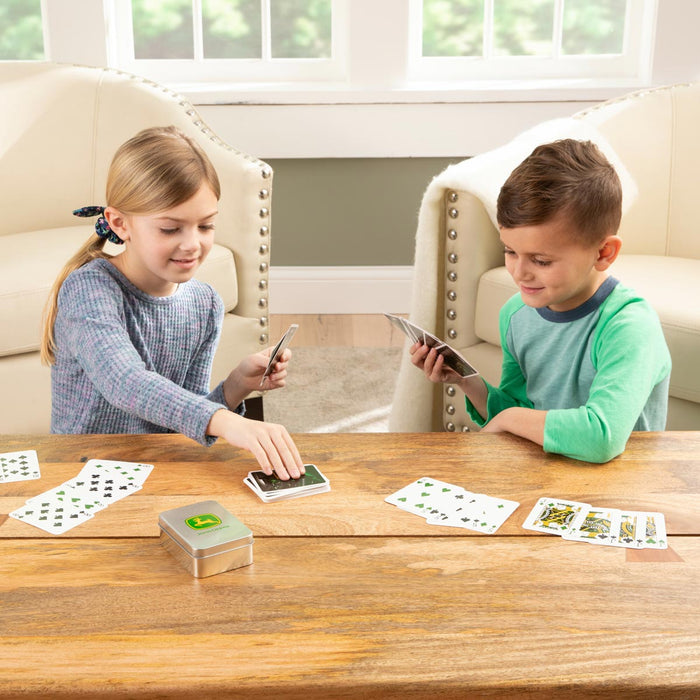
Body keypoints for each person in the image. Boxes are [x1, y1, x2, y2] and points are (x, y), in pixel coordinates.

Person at [41, 125, 304, 480]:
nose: (193, 244)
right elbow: (126, 381)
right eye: (170, 229)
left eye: (206, 226)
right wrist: (228, 423)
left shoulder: (204, 303)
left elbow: (186, 418)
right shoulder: (89, 290)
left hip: (158, 470)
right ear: (120, 224)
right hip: (82, 473)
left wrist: (237, 383)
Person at [410, 138, 671, 463]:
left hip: (619, 492)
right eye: (510, 251)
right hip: (546, 478)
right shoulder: (516, 314)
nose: (520, 273)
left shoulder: (629, 326)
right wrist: (467, 382)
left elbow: (602, 436)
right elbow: (522, 411)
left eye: (541, 261)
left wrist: (506, 420)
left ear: (604, 253)